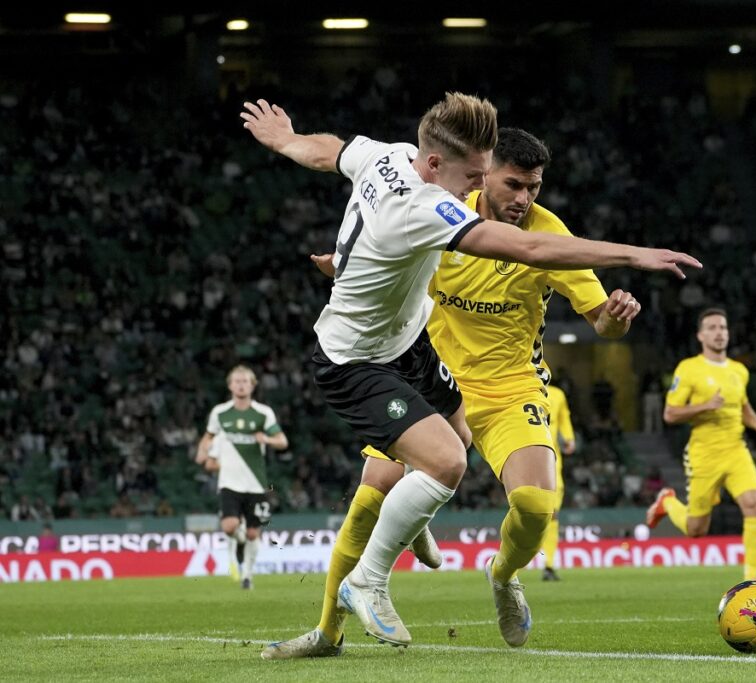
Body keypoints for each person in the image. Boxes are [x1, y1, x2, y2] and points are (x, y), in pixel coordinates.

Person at [241, 94, 701, 653]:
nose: (482, 191)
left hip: (469, 369)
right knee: (398, 484)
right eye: (488, 181)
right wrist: (636, 254)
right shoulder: (434, 209)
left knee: (528, 503)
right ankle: (338, 618)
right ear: (439, 165)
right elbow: (526, 249)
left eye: (528, 187)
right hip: (367, 358)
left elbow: (332, 151)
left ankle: (498, 571)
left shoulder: (392, 155)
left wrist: (286, 140)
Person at [646, 308, 756, 580]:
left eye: (723, 328)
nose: (720, 333)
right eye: (713, 328)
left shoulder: (739, 370)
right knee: (696, 529)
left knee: (754, 504)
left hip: (736, 450)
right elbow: (670, 414)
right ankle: (668, 502)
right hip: (703, 454)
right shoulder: (689, 368)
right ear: (701, 335)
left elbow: (742, 405)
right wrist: (706, 406)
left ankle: (751, 580)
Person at [195, 365, 289, 590]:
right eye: (236, 381)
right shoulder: (220, 413)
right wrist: (202, 452)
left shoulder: (263, 413)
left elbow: (282, 441)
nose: (240, 384)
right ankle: (238, 545)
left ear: (252, 385)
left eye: (245, 381)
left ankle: (247, 574)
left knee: (253, 532)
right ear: (229, 386)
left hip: (256, 483)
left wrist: (265, 439)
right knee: (229, 526)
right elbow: (208, 438)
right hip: (229, 482)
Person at [541, 380, 576, 582]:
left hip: (554, 461)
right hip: (527, 456)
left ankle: (549, 564)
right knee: (528, 510)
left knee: (553, 514)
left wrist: (569, 437)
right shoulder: (520, 388)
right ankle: (508, 565)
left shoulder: (557, 394)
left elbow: (564, 417)